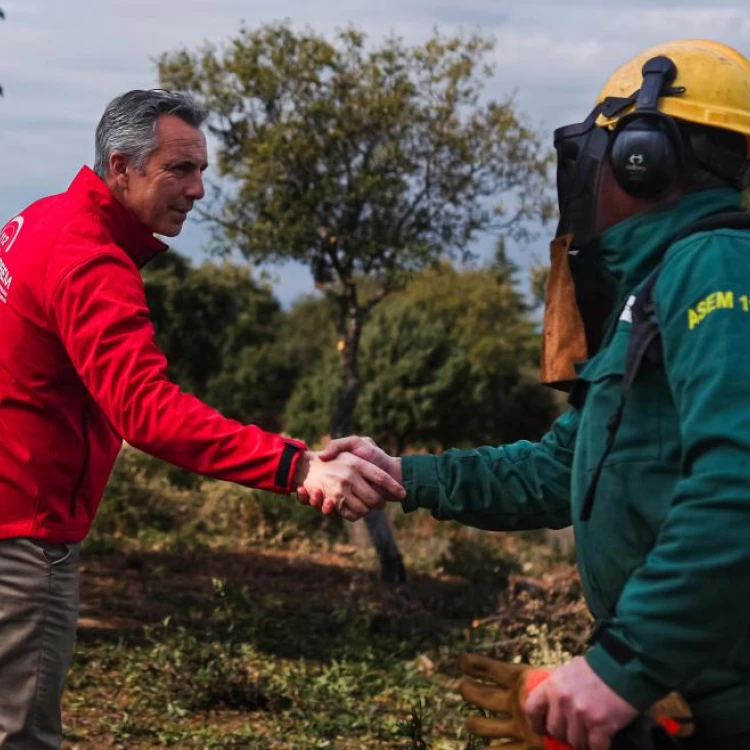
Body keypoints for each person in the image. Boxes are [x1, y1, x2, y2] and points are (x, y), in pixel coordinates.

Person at [303, 40, 750, 750]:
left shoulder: (716, 265)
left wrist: (621, 666)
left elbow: (739, 480)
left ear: (643, 156)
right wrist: (404, 476)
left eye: (599, 153)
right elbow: (556, 470)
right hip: (681, 692)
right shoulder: (656, 287)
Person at [0, 89, 404, 749]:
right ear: (121, 166)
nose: (198, 190)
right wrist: (294, 465)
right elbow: (147, 412)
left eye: (202, 171)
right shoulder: (92, 261)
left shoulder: (40, 220)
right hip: (24, 535)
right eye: (179, 170)